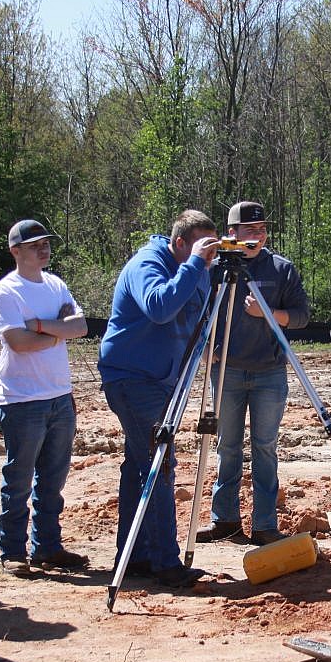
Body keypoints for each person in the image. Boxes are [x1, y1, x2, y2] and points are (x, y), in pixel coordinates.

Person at [98, 210, 219, 587]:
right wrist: (196, 265)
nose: (209, 256)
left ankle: (136, 556)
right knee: (160, 463)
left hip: (163, 380)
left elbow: (202, 319)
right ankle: (165, 562)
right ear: (180, 243)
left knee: (141, 464)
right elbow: (161, 308)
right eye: (202, 247)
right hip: (133, 378)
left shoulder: (198, 269)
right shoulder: (146, 264)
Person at [196, 201, 309, 547]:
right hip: (227, 373)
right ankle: (225, 522)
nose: (257, 237)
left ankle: (264, 525)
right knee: (226, 447)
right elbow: (196, 313)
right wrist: (206, 349)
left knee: (264, 448)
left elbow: (302, 316)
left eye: (262, 230)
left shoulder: (281, 269)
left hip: (269, 375)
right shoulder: (214, 269)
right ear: (232, 234)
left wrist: (269, 313)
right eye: (250, 231)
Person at [0, 219, 89, 577]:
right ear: (16, 251)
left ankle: (47, 546)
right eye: (34, 246)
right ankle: (12, 550)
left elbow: (80, 327)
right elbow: (18, 343)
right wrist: (57, 332)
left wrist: (39, 325)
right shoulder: (6, 291)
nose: (43, 249)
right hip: (22, 400)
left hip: (59, 396)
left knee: (53, 480)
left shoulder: (56, 284)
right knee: (18, 478)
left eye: (45, 243)